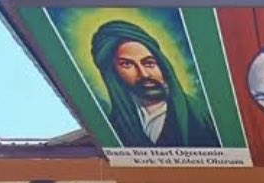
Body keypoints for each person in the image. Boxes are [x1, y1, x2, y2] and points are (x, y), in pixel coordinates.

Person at [90, 20, 220, 147]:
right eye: (127, 64)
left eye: (149, 63)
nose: (144, 74)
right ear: (112, 73)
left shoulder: (200, 114)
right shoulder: (113, 125)